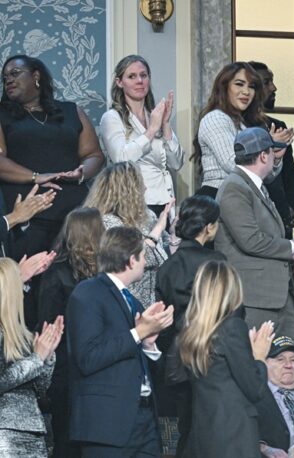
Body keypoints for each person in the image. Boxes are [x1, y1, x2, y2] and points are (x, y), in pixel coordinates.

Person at [67, 226, 174, 457]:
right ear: (131, 260)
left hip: (145, 422)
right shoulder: (87, 293)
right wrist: (138, 333)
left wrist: (148, 343)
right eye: (143, 256)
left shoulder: (132, 301)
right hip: (107, 425)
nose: (146, 263)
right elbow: (88, 357)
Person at [215, 127, 294, 338]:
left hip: (274, 296)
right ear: (263, 156)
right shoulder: (235, 188)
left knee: (285, 361)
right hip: (255, 299)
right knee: (258, 362)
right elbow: (251, 240)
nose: (274, 157)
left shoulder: (254, 185)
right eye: (272, 152)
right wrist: (291, 246)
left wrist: (292, 253)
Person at [0, 55, 104, 256]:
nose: (8, 80)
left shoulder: (71, 111)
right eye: (4, 78)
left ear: (36, 76)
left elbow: (94, 154)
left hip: (75, 217)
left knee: (76, 280)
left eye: (15, 73)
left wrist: (81, 174)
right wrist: (36, 176)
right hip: (28, 218)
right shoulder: (2, 113)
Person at [179, 260, 274, 458]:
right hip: (234, 435)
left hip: (203, 433)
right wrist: (259, 356)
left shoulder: (191, 331)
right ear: (232, 290)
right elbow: (255, 388)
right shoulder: (232, 328)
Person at [154, 194, 225, 456]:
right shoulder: (217, 262)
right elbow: (230, 313)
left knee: (186, 427)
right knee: (210, 430)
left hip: (177, 357)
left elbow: (162, 316)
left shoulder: (167, 266)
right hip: (212, 356)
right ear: (209, 227)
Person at [37, 206, 103, 458]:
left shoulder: (102, 272)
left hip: (81, 368)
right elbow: (47, 325)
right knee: (68, 439)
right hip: (68, 370)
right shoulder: (58, 273)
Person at [192, 62, 291, 198]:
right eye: (239, 84)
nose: (246, 92)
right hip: (219, 197)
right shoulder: (215, 118)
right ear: (224, 87)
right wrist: (267, 144)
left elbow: (266, 176)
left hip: (242, 197)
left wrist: (274, 156)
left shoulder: (242, 124)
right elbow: (232, 163)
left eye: (251, 86)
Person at [100, 55, 184, 216]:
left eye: (143, 75)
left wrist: (165, 124)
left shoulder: (154, 115)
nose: (139, 81)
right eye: (132, 76)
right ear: (119, 82)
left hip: (164, 200)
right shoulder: (112, 117)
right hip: (132, 201)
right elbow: (121, 158)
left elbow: (176, 163)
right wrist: (151, 130)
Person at [83, 161, 172, 305]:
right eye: (140, 184)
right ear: (128, 191)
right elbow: (134, 258)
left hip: (152, 300)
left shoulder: (148, 216)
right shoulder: (107, 222)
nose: (145, 188)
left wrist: (174, 234)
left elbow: (164, 255)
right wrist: (157, 230)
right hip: (123, 301)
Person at [0, 258, 63, 457]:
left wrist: (47, 357)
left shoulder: (22, 335)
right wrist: (37, 358)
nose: (23, 290)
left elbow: (38, 389)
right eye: (20, 283)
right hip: (6, 436)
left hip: (33, 429)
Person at [249, 61, 294, 238]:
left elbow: (291, 172)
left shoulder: (277, 125)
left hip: (280, 217)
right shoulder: (239, 127)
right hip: (252, 216)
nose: (274, 87)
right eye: (267, 82)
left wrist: (290, 207)